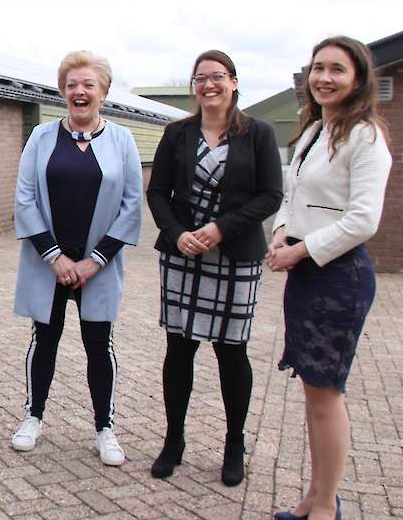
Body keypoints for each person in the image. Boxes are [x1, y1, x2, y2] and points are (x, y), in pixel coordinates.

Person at [145, 50, 283, 486]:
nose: (209, 85)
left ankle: (233, 443)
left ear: (234, 82)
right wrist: (177, 232)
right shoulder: (177, 134)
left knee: (231, 352)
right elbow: (158, 193)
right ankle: (174, 441)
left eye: (217, 77)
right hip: (183, 255)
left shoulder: (258, 134)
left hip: (235, 256)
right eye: (200, 78)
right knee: (179, 349)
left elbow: (270, 196)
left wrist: (221, 229)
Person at [268, 36, 391, 520]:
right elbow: (293, 194)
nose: (324, 77)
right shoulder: (318, 129)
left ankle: (324, 508)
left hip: (339, 277)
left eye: (336, 69)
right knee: (314, 392)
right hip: (307, 272)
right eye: (318, 67)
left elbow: (363, 220)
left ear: (358, 78)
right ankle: (318, 498)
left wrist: (300, 250)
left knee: (326, 394)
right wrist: (281, 232)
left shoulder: (365, 136)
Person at [10, 51, 142, 466]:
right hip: (48, 263)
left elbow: (132, 205)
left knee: (99, 345)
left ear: (103, 90)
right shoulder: (41, 137)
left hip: (96, 267)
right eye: (71, 85)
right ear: (63, 91)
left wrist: (94, 261)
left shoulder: (122, 140)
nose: (79, 91)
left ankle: (105, 427)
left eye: (88, 84)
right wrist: (55, 257)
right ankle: (33, 416)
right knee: (43, 339)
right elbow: (25, 198)